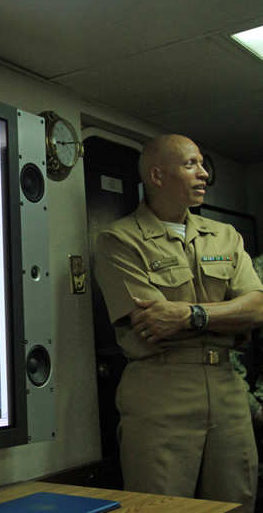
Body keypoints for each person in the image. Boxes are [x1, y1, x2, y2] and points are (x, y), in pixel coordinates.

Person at [94, 134, 263, 511]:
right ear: (157, 175)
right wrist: (226, 315)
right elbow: (152, 322)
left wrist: (190, 314)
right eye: (191, 164)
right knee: (160, 504)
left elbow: (257, 308)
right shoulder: (119, 240)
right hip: (160, 388)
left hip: (227, 388)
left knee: (237, 501)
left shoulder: (225, 236)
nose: (204, 174)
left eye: (202, 164)